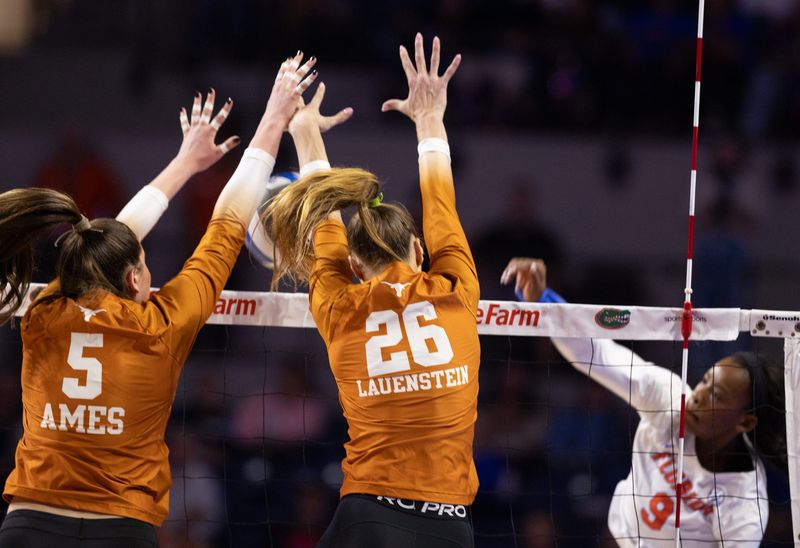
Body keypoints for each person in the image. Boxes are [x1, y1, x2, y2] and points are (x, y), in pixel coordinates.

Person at [0, 53, 317, 547]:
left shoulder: (45, 313)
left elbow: (106, 242)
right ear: (133, 280)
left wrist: (184, 162)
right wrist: (274, 118)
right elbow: (227, 224)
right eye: (145, 262)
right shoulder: (161, 327)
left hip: (31, 525)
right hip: (121, 531)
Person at [263, 34, 478, 547]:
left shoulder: (341, 308)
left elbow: (323, 218)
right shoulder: (456, 294)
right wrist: (430, 119)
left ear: (357, 267)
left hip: (369, 521)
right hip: (449, 528)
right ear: (420, 252)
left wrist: (305, 132)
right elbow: (441, 203)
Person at [501, 257, 787, 547]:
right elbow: (595, 354)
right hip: (617, 538)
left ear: (745, 421)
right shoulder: (669, 398)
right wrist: (543, 300)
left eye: (717, 396)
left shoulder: (744, 500)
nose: (699, 395)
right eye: (705, 382)